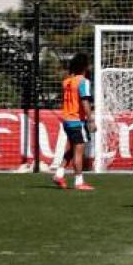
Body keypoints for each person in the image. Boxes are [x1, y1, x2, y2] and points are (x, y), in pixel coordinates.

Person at [52, 53, 95, 191]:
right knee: (78, 152)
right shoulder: (83, 81)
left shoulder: (67, 81)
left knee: (71, 149)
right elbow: (84, 101)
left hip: (67, 120)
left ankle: (59, 174)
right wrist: (91, 119)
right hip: (77, 121)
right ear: (85, 67)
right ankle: (79, 181)